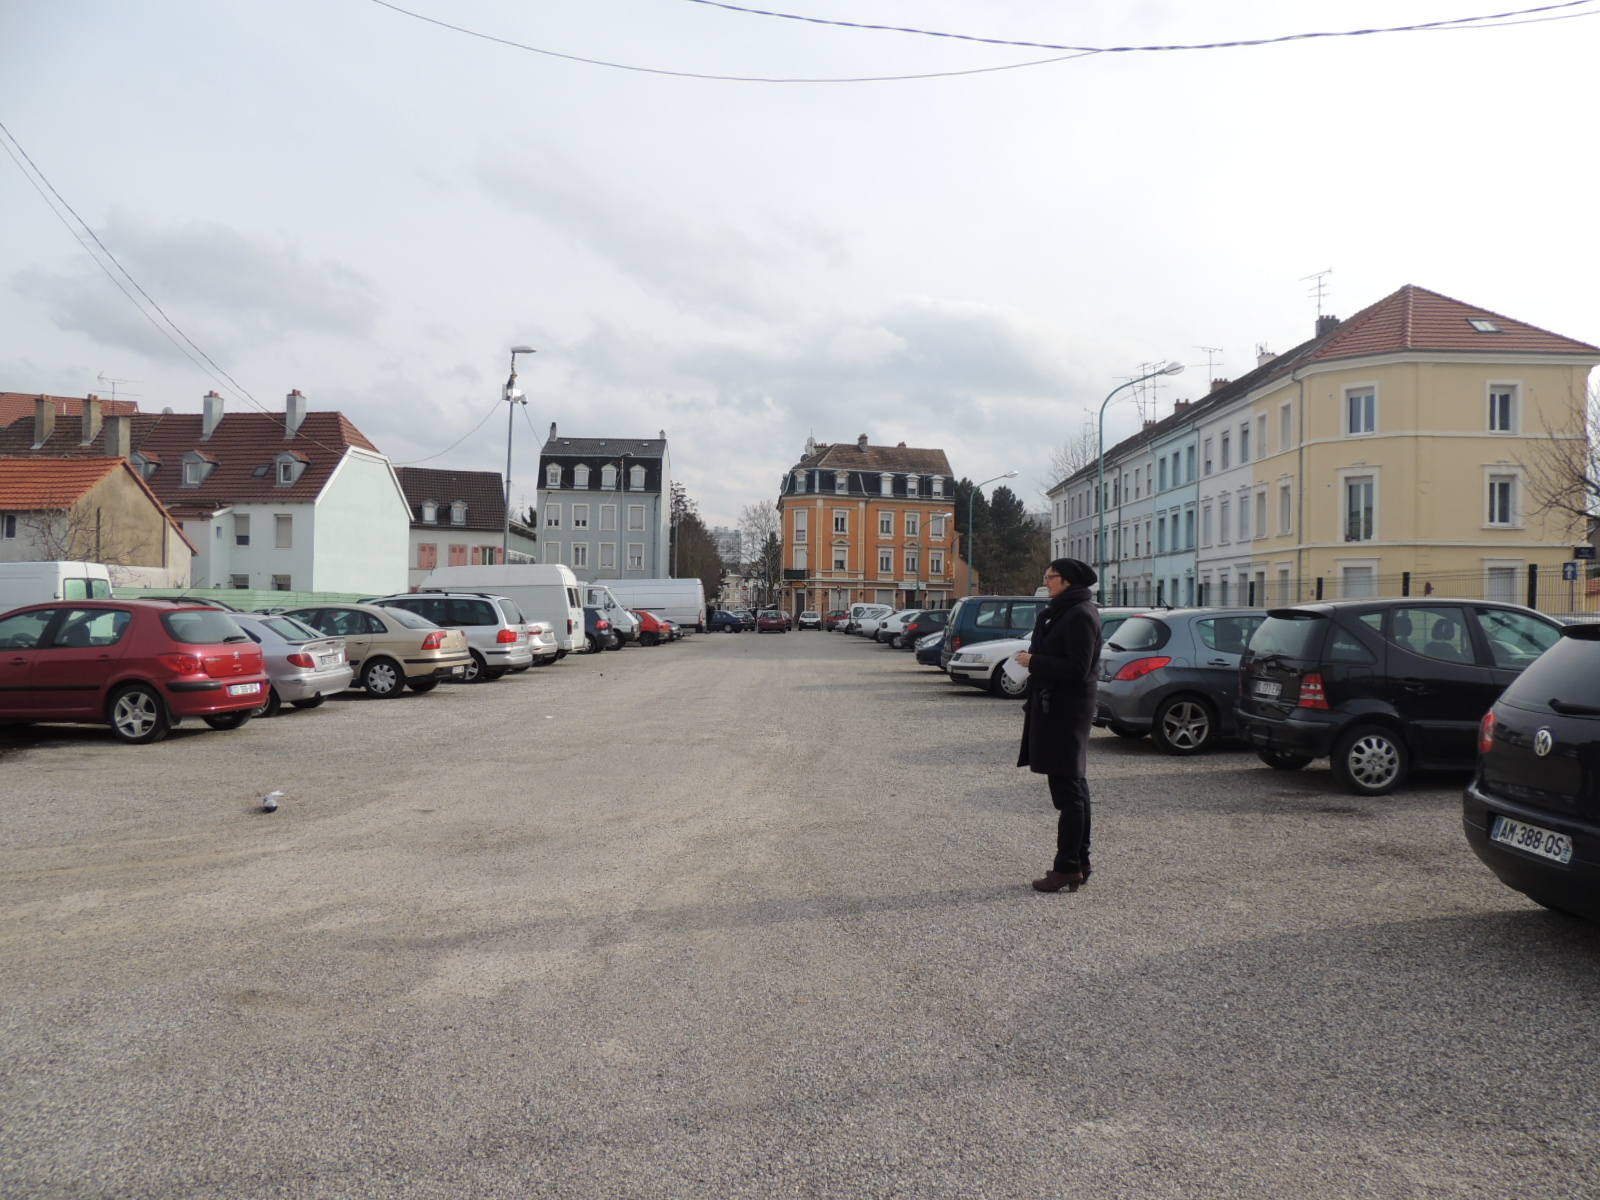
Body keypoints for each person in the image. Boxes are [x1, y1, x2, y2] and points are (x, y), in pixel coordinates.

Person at [1014, 558, 1103, 893]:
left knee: (1069, 792)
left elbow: (1078, 667)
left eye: (1050, 577)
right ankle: (1079, 861)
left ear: (1066, 581)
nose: (1046, 581)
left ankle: (1067, 866)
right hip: (1057, 707)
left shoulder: (1080, 614)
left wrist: (1035, 662)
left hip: (1067, 711)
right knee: (1074, 787)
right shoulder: (1064, 611)